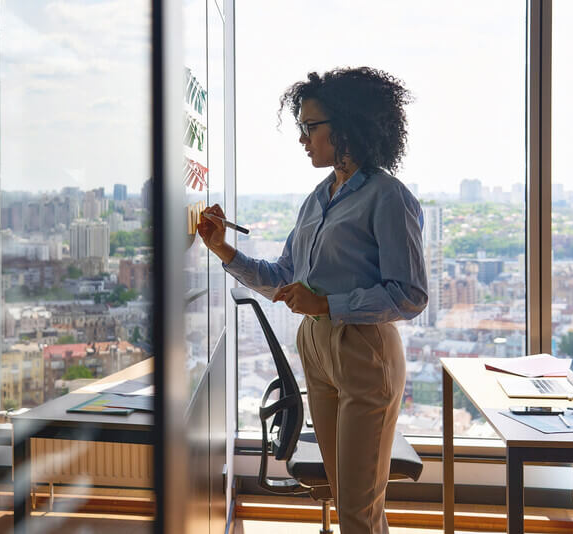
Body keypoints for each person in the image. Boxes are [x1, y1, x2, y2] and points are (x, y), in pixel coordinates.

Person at [197, 66, 427, 534]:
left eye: (309, 126)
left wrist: (326, 304)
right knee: (350, 500)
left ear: (345, 127)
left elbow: (409, 296)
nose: (302, 137)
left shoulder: (387, 197)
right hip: (318, 351)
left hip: (364, 351)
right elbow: (284, 277)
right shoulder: (318, 198)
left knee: (357, 511)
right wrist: (223, 249)